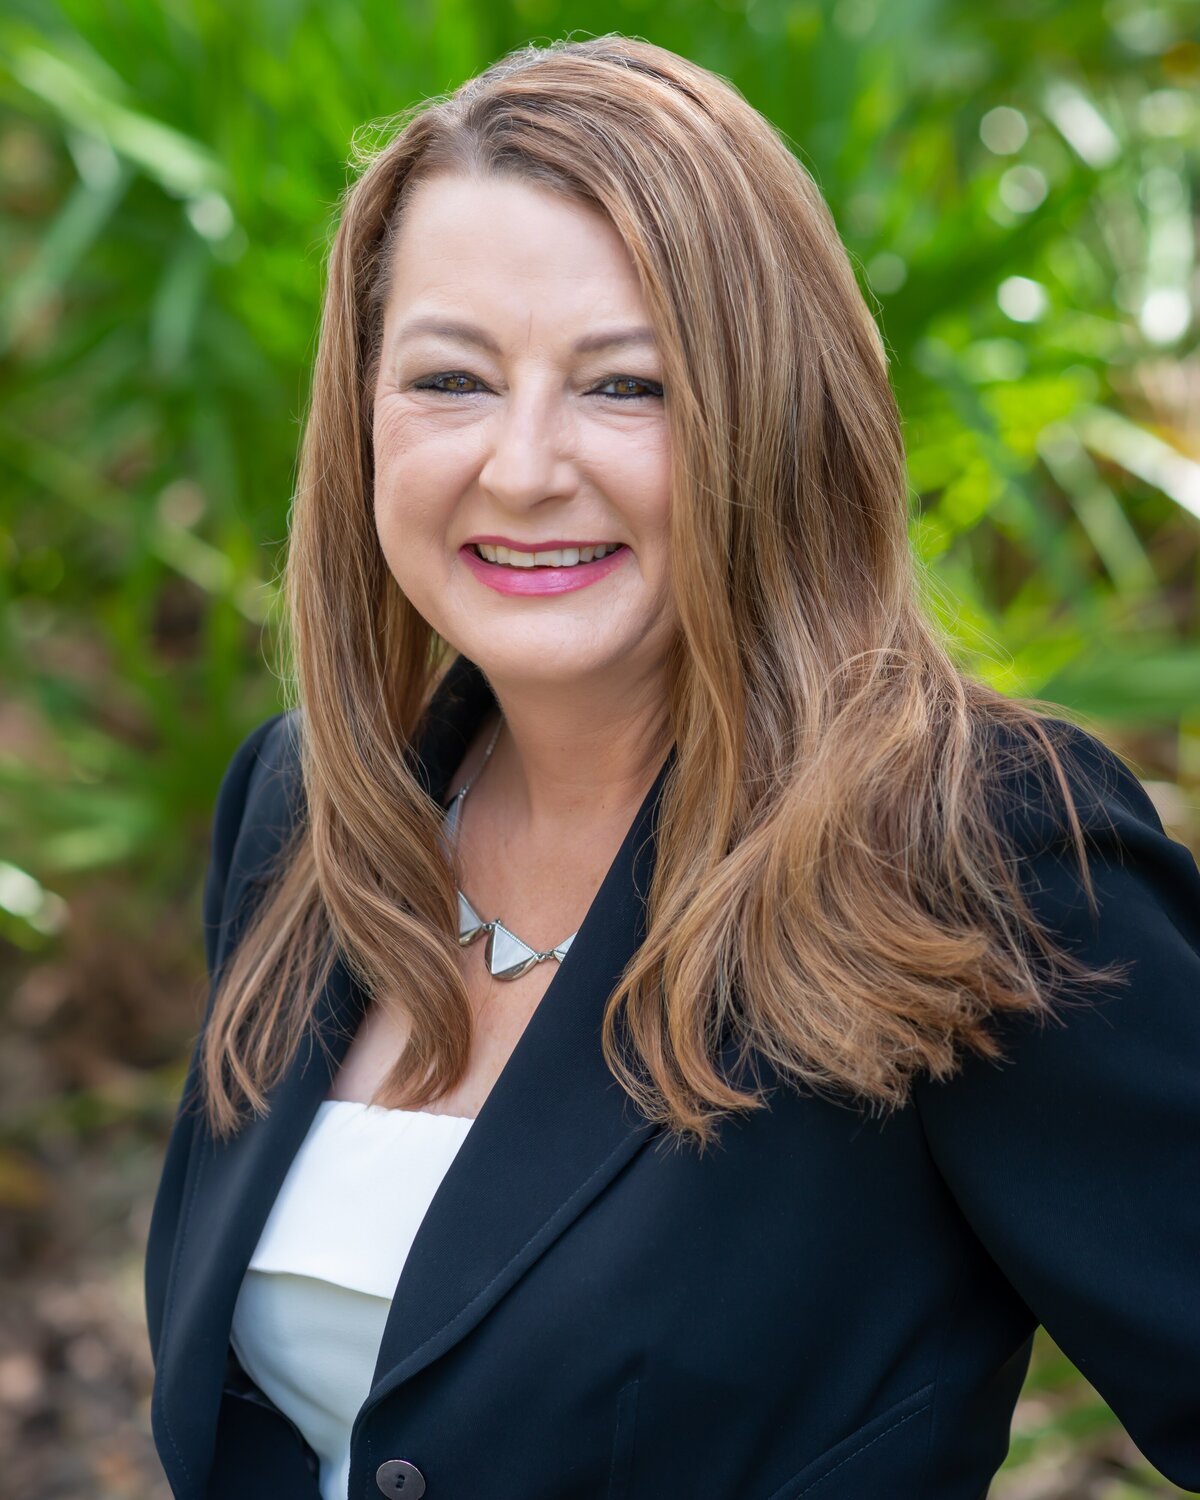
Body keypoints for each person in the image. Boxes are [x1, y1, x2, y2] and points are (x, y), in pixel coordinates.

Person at [143, 33, 1200, 1500]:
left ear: (774, 412)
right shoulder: (304, 807)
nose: (522, 466)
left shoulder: (979, 851)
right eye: (450, 378)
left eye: (626, 387)